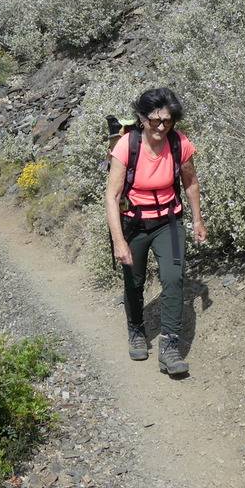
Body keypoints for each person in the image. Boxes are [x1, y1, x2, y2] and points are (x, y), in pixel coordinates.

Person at [105, 87, 207, 376]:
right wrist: (119, 241)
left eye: (168, 120)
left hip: (169, 221)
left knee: (174, 278)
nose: (162, 127)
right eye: (155, 120)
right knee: (134, 281)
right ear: (141, 118)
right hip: (134, 223)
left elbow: (190, 182)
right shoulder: (127, 146)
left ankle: (170, 347)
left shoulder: (179, 143)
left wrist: (198, 220)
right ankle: (136, 330)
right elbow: (111, 196)